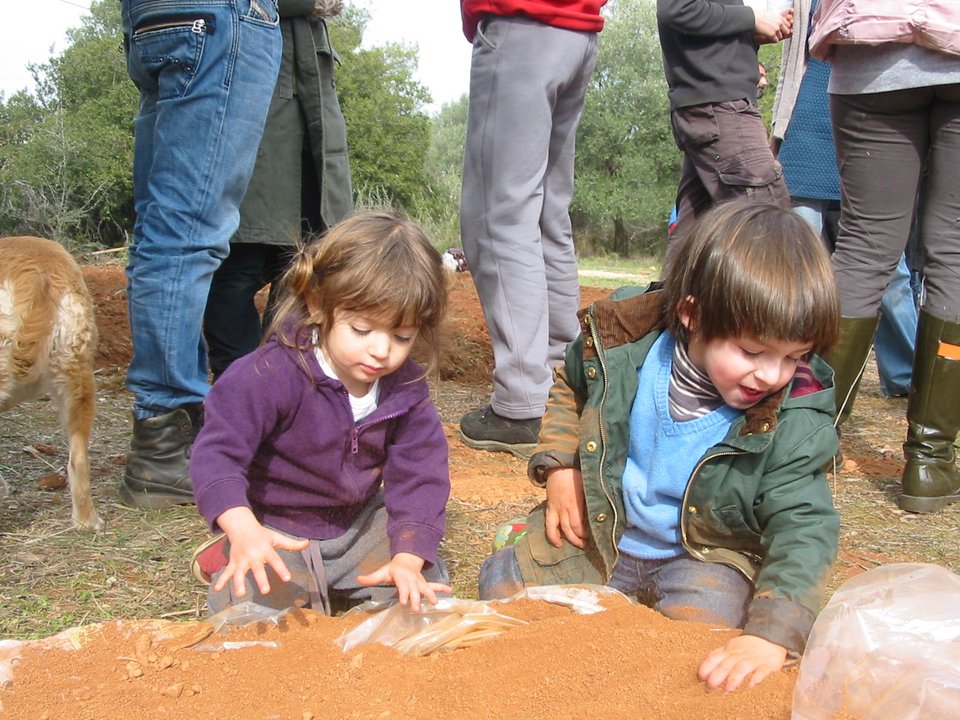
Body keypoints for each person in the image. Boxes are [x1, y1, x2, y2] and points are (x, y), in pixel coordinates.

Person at [478, 200, 842, 693]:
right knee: (505, 586)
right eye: (753, 351)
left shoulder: (795, 414)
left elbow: (804, 524)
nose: (771, 374)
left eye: (793, 357)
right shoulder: (623, 343)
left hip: (705, 555)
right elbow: (571, 387)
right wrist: (560, 464)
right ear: (693, 314)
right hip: (608, 532)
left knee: (706, 644)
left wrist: (772, 633)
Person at [190, 212, 452, 615]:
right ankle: (231, 546)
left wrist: (409, 557)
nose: (381, 351)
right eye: (362, 330)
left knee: (422, 594)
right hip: (276, 529)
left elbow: (422, 473)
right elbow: (216, 455)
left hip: (356, 525)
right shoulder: (267, 374)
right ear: (316, 303)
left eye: (402, 336)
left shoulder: (407, 390)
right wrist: (243, 527)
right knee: (247, 612)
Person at [118, 0, 282, 509]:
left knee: (163, 228)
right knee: (187, 232)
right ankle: (167, 441)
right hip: (223, 16)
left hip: (156, 15)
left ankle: (168, 428)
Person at [809, 0, 960, 513]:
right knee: (955, 255)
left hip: (872, 50)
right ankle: (930, 462)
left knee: (863, 248)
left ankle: (808, 443)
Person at [457, 0, 607, 460]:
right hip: (577, 32)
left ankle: (523, 404)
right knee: (547, 215)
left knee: (499, 217)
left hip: (523, 22)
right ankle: (563, 386)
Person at [770, 0, 918, 403]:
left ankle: (909, 377)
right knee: (801, 274)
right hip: (804, 141)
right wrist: (778, 133)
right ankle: (796, 379)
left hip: (871, 130)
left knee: (893, 277)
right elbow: (789, 70)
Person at [203, 0, 354, 380]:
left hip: (306, 137)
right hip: (249, 126)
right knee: (237, 266)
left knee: (302, 268)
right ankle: (238, 393)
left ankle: (278, 393)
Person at [656, 0, 793, 246]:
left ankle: (678, 285)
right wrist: (751, 18)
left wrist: (749, 33)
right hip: (722, 107)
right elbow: (677, 9)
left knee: (693, 236)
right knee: (771, 225)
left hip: (713, 106)